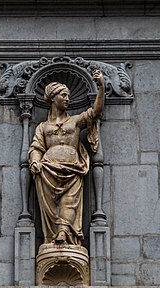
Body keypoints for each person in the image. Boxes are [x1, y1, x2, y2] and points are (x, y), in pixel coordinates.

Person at [28, 69, 105, 245]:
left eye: (69, 95)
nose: (67, 99)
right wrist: (34, 160)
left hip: (73, 169)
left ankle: (63, 232)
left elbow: (96, 112)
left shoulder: (76, 121)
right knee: (52, 208)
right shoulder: (43, 127)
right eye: (63, 95)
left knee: (69, 202)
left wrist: (101, 86)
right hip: (48, 171)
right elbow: (37, 147)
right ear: (53, 98)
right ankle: (53, 234)